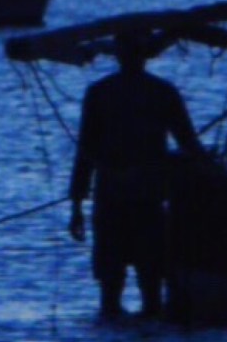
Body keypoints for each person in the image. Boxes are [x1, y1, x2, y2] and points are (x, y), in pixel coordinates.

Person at [69, 28, 204, 319]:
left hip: (124, 200)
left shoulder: (103, 93)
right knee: (145, 288)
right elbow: (190, 146)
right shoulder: (159, 92)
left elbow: (85, 156)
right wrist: (77, 204)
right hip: (139, 200)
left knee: (120, 290)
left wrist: (77, 205)